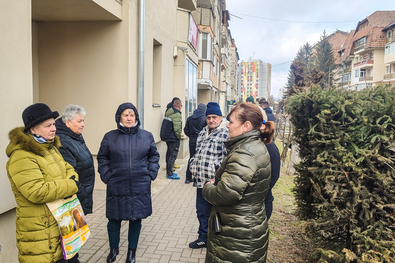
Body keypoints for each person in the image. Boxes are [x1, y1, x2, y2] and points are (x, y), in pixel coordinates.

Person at [6, 103, 81, 263]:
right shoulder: (22, 156)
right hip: (42, 235)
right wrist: (71, 185)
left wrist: (71, 180)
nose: (54, 128)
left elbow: (70, 170)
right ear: (33, 129)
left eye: (54, 124)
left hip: (62, 229)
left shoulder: (51, 148)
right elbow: (37, 191)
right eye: (48, 125)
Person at [202, 102, 275, 262]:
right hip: (245, 229)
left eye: (232, 121)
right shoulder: (255, 146)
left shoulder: (244, 153)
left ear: (246, 126)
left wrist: (208, 187)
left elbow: (225, 194)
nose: (227, 125)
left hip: (236, 236)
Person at [97, 102, 160, 263]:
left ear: (136, 117)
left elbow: (154, 156)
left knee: (135, 218)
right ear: (119, 117)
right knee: (114, 219)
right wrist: (106, 176)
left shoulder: (146, 136)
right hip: (117, 184)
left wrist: (151, 173)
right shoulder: (110, 137)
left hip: (140, 183)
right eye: (125, 115)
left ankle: (132, 252)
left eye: (132, 115)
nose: (129, 118)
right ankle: (113, 249)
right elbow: (102, 157)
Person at [188, 102, 228, 249]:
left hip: (214, 183)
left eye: (214, 117)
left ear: (220, 117)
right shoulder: (202, 132)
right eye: (209, 117)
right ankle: (203, 238)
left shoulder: (225, 133)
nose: (211, 120)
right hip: (200, 182)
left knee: (215, 212)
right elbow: (197, 153)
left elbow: (226, 158)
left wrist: (216, 175)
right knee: (201, 211)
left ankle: (216, 240)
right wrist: (193, 165)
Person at [56, 104, 95, 215]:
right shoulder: (63, 141)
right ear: (67, 123)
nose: (83, 125)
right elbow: (70, 174)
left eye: (83, 121)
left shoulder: (74, 137)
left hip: (81, 196)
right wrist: (82, 194)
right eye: (79, 121)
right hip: (75, 199)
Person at [184, 103, 207, 184]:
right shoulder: (204, 118)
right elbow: (206, 131)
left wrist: (191, 136)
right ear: (204, 110)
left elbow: (185, 130)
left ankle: (188, 178)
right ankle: (196, 179)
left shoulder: (189, 118)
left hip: (192, 141)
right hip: (201, 141)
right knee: (199, 159)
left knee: (191, 158)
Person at [160, 97, 182, 179]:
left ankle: (169, 170)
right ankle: (170, 173)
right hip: (173, 138)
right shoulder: (176, 114)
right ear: (179, 106)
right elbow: (177, 128)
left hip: (168, 137)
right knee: (172, 155)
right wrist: (179, 137)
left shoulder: (169, 112)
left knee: (169, 154)